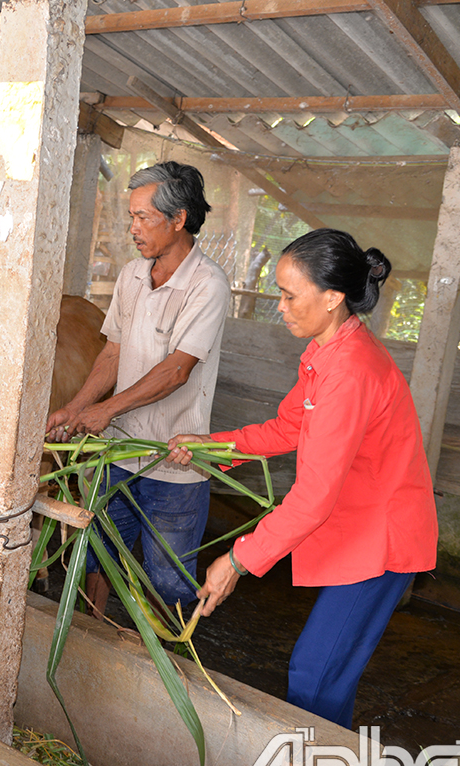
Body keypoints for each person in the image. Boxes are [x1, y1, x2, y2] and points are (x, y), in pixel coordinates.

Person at [167, 228, 438, 729]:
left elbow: (313, 497)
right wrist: (212, 446)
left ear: (332, 297)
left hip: (381, 541)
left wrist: (237, 560)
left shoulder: (350, 371)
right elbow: (288, 427)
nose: (281, 307)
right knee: (325, 675)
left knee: (316, 675)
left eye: (290, 296)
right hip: (357, 526)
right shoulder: (327, 352)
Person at [46, 161, 230, 616]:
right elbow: (113, 353)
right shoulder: (131, 275)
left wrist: (107, 410)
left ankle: (165, 652)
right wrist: (76, 407)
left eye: (143, 217)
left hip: (175, 462)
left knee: (167, 579)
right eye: (132, 216)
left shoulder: (207, 284)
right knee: (97, 554)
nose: (133, 228)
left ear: (179, 218)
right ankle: (90, 631)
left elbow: (177, 370)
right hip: (118, 453)